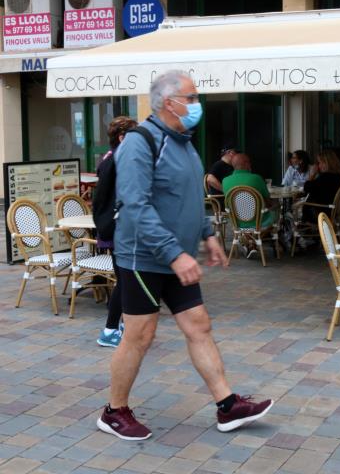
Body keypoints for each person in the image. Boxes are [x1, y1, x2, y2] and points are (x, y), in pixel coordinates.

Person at [99, 70, 272, 441]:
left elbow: (190, 198)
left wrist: (208, 234)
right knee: (139, 336)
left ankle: (228, 406)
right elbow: (135, 205)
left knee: (199, 325)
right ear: (168, 102)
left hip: (175, 256)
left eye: (196, 98)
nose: (197, 105)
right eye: (191, 98)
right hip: (143, 257)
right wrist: (174, 254)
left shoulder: (183, 142)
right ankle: (114, 411)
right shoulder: (139, 143)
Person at [95, 116, 138, 348]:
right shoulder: (117, 161)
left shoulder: (109, 158)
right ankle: (110, 330)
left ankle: (118, 325)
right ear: (122, 138)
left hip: (111, 228)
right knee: (124, 280)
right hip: (116, 228)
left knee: (125, 280)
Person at [223, 152, 279, 230]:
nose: (251, 164)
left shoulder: (225, 181)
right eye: (249, 162)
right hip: (259, 222)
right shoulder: (256, 178)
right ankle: (273, 235)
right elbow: (268, 201)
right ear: (246, 164)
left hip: (237, 223)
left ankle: (247, 237)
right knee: (277, 206)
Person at [301, 150, 340, 221]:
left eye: (320, 163)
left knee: (297, 205)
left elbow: (307, 187)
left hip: (320, 213)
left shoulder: (325, 177)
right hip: (331, 211)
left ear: (327, 163)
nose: (319, 166)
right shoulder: (339, 177)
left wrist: (312, 174)